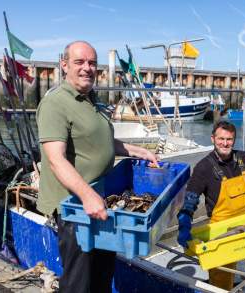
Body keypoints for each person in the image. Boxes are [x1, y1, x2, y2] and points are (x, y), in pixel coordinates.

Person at [36, 41, 158, 293]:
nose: (87, 68)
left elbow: (102, 141)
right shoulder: (55, 103)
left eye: (92, 63)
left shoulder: (90, 99)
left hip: (100, 200)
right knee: (79, 282)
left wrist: (138, 151)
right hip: (74, 208)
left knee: (103, 273)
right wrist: (88, 195)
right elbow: (55, 159)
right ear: (64, 64)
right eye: (79, 62)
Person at [177, 121, 245, 293]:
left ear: (234, 140)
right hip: (222, 230)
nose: (225, 143)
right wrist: (184, 225)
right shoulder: (203, 168)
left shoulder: (244, 158)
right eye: (221, 139)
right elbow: (190, 200)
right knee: (221, 277)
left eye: (229, 139)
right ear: (213, 138)